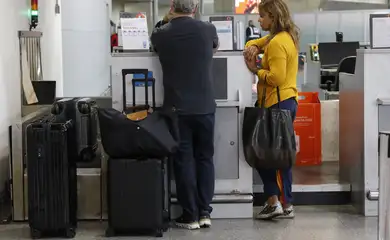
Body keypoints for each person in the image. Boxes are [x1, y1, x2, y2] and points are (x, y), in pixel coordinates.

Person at [150, 0, 219, 230]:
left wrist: (166, 20)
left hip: (177, 108)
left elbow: (154, 42)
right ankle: (205, 212)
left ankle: (189, 215)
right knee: (205, 158)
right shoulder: (208, 29)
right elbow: (214, 49)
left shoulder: (162, 33)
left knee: (184, 160)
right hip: (205, 106)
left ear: (171, 8)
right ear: (195, 9)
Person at [243, 0, 299, 220]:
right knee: (280, 155)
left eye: (263, 16)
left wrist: (256, 70)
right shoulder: (284, 37)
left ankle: (274, 201)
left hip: (276, 103)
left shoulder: (276, 43)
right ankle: (285, 204)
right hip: (287, 101)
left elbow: (276, 77)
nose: (260, 19)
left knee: (265, 155)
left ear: (273, 17)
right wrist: (255, 46)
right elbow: (261, 40)